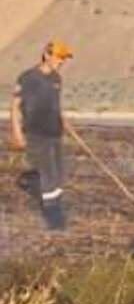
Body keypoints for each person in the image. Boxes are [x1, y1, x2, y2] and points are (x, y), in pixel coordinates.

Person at [9, 40, 75, 230]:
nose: (62, 61)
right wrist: (17, 133)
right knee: (48, 173)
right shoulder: (28, 78)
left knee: (59, 173)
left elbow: (56, 104)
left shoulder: (56, 79)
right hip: (36, 134)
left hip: (55, 133)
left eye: (64, 58)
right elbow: (14, 107)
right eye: (59, 57)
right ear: (47, 55)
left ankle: (56, 208)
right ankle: (52, 217)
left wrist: (64, 119)